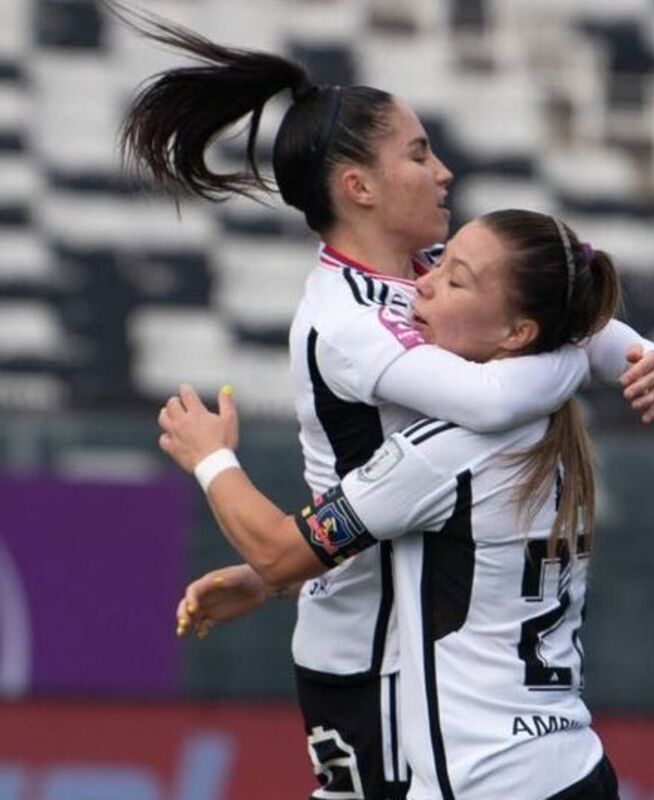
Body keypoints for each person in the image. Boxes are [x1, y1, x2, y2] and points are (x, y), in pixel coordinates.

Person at [109, 5, 654, 798]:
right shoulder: (347, 321)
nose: (443, 171)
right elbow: (487, 396)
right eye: (418, 153)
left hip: (440, 638)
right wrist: (588, 353)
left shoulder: (437, 268)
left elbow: (555, 315)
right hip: (367, 647)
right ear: (358, 186)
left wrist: (637, 352)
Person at [159, 209, 625, 799]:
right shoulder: (557, 428)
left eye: (456, 280)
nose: (424, 283)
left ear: (517, 334)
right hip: (573, 767)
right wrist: (267, 584)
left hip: (488, 784)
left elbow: (280, 549)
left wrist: (211, 457)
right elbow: (459, 577)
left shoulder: (445, 452)